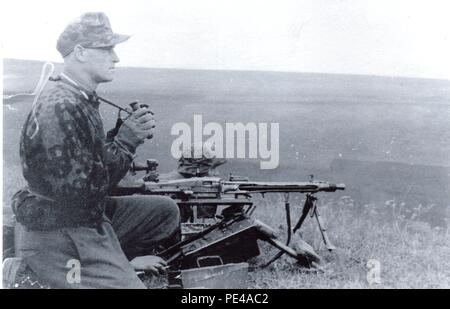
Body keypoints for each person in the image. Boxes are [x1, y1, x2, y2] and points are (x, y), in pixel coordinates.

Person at [9, 12, 180, 288]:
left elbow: (88, 162)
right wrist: (125, 142)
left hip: (84, 217)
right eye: (107, 49)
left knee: (165, 211)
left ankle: (118, 262)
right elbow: (81, 193)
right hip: (60, 231)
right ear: (80, 52)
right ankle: (45, 267)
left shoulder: (78, 97)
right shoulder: (60, 106)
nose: (116, 58)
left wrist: (117, 136)